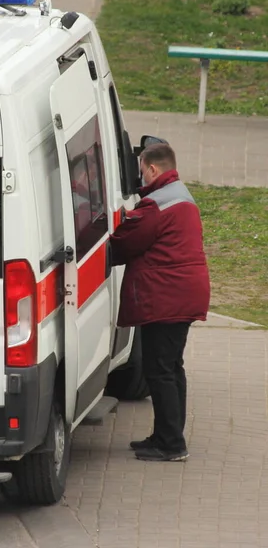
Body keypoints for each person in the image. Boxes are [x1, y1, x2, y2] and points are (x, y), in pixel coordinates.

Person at [110, 142, 210, 462]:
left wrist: (123, 223)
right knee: (171, 368)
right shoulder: (180, 194)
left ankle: (171, 445)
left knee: (160, 370)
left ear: (152, 169)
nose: (140, 176)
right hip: (183, 293)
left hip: (167, 297)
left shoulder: (156, 205)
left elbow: (126, 243)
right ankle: (166, 435)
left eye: (141, 169)